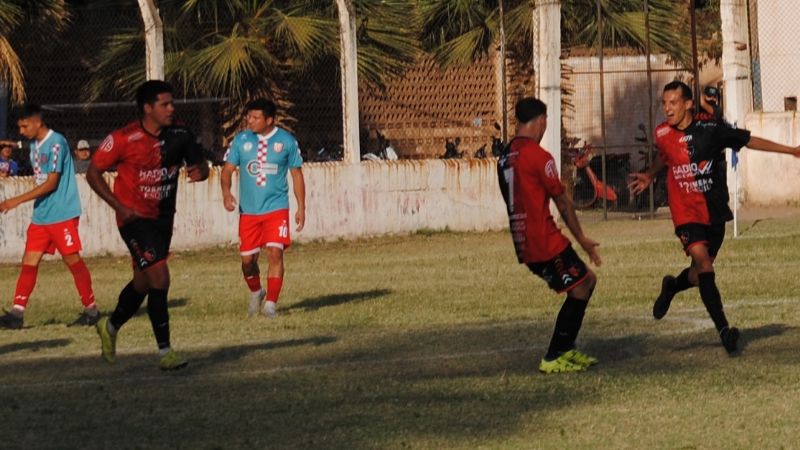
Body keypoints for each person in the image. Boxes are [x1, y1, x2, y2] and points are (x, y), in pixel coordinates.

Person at [629, 80, 800, 354]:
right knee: (705, 264)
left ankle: (672, 286)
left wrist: (790, 150)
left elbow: (748, 140)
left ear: (688, 104)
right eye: (664, 103)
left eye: (673, 103)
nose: (667, 108)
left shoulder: (711, 130)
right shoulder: (662, 132)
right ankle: (725, 332)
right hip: (685, 213)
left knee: (699, 275)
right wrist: (650, 174)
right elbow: (666, 157)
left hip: (714, 211)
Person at [86, 80, 209, 370]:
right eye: (165, 104)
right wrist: (119, 207)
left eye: (172, 103)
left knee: (143, 282)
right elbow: (94, 173)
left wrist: (200, 171)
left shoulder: (180, 133)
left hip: (163, 219)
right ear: (147, 108)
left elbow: (200, 169)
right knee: (161, 279)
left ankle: (110, 327)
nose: (171, 108)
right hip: (133, 220)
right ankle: (165, 352)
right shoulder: (123, 138)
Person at [497, 97, 602, 374]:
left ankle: (565, 350)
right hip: (543, 240)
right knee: (582, 286)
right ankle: (556, 354)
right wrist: (583, 240)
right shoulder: (539, 156)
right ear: (542, 121)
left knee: (585, 281)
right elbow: (563, 202)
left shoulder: (505, 156)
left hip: (524, 241)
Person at [0, 104, 98, 329]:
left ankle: (92, 311)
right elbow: (24, 145)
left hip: (62, 213)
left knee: (72, 260)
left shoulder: (57, 143)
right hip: (42, 216)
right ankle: (17, 314)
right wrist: (11, 144)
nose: (22, 131)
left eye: (24, 126)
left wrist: (15, 201)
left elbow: (51, 183)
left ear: (37, 122)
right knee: (29, 261)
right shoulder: (34, 143)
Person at [220, 99, 305, 318]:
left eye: (255, 117)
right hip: (248, 212)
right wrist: (226, 192)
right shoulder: (241, 141)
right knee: (248, 262)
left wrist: (301, 207)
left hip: (277, 208)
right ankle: (257, 292)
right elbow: (227, 170)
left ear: (270, 120)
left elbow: (296, 174)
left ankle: (270, 305)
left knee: (275, 253)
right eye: (249, 116)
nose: (250, 121)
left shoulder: (286, 141)